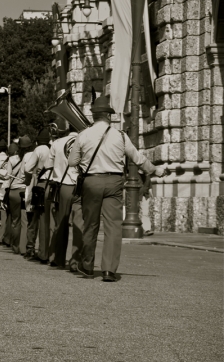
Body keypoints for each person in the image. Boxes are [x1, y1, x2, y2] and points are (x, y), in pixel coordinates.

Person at [68, 95, 164, 281]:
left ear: (94, 116)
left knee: (90, 225)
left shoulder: (83, 135)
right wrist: (156, 171)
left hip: (91, 181)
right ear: (108, 116)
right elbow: (138, 159)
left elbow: (72, 161)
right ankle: (108, 270)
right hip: (114, 182)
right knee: (113, 226)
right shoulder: (120, 135)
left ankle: (87, 266)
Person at [48, 127, 83, 270]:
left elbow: (48, 165)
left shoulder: (57, 143)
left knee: (61, 223)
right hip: (80, 187)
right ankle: (76, 261)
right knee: (79, 225)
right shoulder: (85, 140)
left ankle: (59, 258)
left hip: (63, 186)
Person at [23, 128, 53, 262]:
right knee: (50, 220)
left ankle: (40, 252)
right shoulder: (54, 147)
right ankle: (49, 251)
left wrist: (36, 171)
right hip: (54, 184)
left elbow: (27, 168)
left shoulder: (39, 149)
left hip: (41, 184)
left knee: (38, 218)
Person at [3, 137, 33, 255]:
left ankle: (15, 246)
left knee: (15, 221)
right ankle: (24, 247)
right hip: (26, 190)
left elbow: (7, 176)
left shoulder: (12, 159)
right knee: (26, 220)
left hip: (14, 191)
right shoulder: (32, 156)